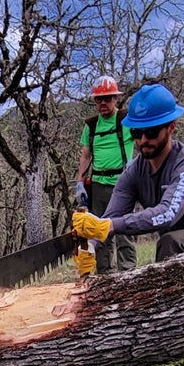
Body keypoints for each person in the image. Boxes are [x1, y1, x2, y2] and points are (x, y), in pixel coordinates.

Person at [72, 83, 184, 262]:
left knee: (170, 242)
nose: (143, 140)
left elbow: (167, 214)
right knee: (170, 241)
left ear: (171, 127)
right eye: (136, 133)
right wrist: (91, 245)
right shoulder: (133, 172)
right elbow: (110, 218)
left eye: (151, 132)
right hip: (179, 242)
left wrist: (110, 225)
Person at [75, 76, 137, 273]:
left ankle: (128, 271)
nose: (103, 103)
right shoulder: (91, 125)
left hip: (123, 182)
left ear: (115, 99)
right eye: (99, 99)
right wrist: (80, 183)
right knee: (98, 228)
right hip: (98, 183)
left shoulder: (126, 121)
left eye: (107, 98)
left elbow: (144, 142)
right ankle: (105, 273)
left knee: (124, 228)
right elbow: (86, 155)